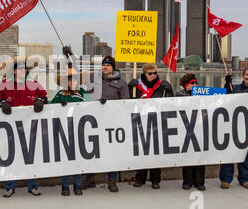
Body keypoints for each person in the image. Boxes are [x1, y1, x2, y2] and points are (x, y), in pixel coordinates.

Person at [0, 57, 48, 198]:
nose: (23, 70)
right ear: (14, 71)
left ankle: (32, 185)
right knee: (11, 158)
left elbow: (44, 97)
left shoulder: (33, 84)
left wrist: (41, 101)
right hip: (10, 129)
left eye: (25, 68)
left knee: (30, 158)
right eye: (20, 68)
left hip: (29, 129)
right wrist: (2, 103)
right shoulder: (4, 84)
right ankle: (9, 187)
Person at [83, 55, 130, 192]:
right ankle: (90, 178)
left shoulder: (121, 83)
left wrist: (109, 105)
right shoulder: (93, 79)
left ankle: (112, 180)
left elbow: (125, 102)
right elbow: (84, 93)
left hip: (111, 122)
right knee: (92, 150)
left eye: (108, 65)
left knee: (111, 152)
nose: (105, 67)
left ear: (113, 67)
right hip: (94, 121)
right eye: (104, 64)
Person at [128, 63, 173, 189]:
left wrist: (170, 90)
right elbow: (128, 102)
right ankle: (140, 178)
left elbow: (171, 103)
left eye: (155, 73)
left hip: (157, 122)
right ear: (144, 74)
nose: (153, 76)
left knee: (156, 153)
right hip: (140, 122)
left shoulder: (162, 87)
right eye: (150, 73)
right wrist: (129, 87)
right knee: (141, 152)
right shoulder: (137, 86)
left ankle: (155, 180)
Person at [50, 66, 89, 196]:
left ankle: (77, 185)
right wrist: (57, 104)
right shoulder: (60, 94)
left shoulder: (82, 93)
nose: (73, 83)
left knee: (77, 159)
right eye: (70, 80)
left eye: (75, 80)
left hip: (78, 130)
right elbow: (50, 108)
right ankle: (65, 185)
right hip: (64, 131)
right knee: (66, 160)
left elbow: (90, 108)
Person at [175, 73, 206, 191]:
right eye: (192, 83)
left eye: (196, 82)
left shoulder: (203, 95)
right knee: (187, 155)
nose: (195, 85)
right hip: (185, 128)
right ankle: (187, 181)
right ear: (185, 85)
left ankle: (199, 182)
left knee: (199, 155)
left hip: (199, 127)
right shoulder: (179, 96)